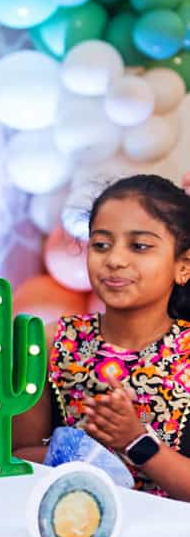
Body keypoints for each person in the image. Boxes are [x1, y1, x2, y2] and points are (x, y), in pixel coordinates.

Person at [14, 175, 190, 500]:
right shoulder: (51, 343)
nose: (114, 260)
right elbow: (19, 456)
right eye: (101, 244)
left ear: (183, 266)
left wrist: (136, 441)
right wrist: (81, 455)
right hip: (70, 526)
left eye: (139, 246)